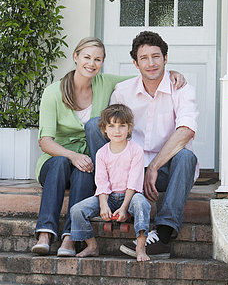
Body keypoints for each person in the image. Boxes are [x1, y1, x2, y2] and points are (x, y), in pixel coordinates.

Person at [31, 36, 185, 257]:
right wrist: (73, 156)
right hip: (58, 159)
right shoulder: (53, 92)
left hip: (89, 163)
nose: (91, 64)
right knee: (60, 163)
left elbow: (146, 73)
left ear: (102, 62)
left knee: (85, 173)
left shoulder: (105, 83)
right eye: (86, 57)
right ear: (75, 57)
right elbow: (45, 141)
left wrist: (171, 74)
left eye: (97, 59)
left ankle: (69, 239)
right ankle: (45, 233)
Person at [85, 30, 199, 259]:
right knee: (95, 124)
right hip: (127, 170)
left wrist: (154, 167)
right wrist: (134, 172)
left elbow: (186, 130)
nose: (151, 63)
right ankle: (110, 193)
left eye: (156, 57)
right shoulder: (124, 90)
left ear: (166, 59)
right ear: (135, 64)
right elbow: (108, 129)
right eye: (144, 58)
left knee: (187, 157)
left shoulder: (181, 88)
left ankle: (163, 236)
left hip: (164, 170)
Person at [70, 104, 150, 260]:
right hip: (108, 197)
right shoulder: (102, 153)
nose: (117, 131)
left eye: (122, 126)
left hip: (131, 197)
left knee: (142, 204)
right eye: (112, 126)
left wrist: (124, 207)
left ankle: (141, 247)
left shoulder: (135, 150)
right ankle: (92, 246)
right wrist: (103, 204)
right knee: (76, 210)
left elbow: (134, 181)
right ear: (104, 129)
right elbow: (101, 181)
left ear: (129, 128)